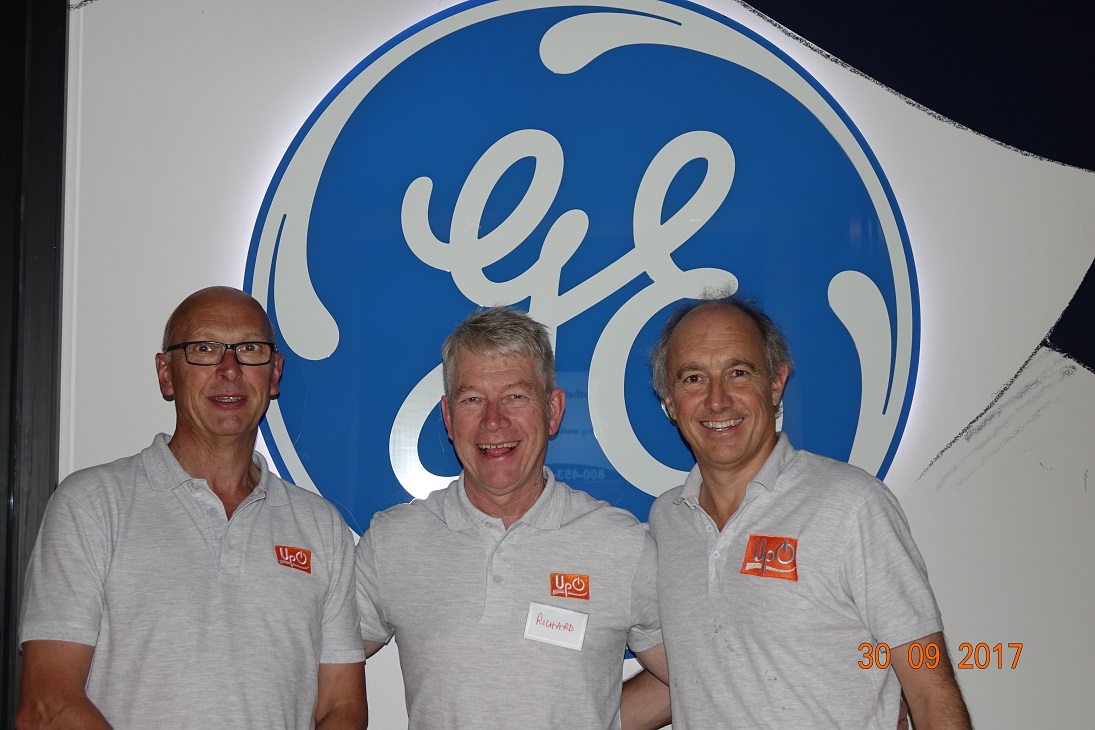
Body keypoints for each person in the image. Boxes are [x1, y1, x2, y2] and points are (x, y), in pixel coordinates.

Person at [16, 286, 367, 730]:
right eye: (203, 349)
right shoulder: (91, 505)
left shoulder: (320, 526)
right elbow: (47, 705)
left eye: (249, 349)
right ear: (166, 374)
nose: (229, 369)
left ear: (274, 372)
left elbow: (342, 708)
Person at [630, 293, 972, 729]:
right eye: (693, 378)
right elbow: (698, 674)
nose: (717, 401)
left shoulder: (852, 505)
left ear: (776, 383)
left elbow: (930, 689)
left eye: (738, 373)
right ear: (669, 401)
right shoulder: (668, 521)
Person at [355, 307, 668, 729]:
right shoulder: (392, 542)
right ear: (448, 417)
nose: (493, 420)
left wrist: (599, 717)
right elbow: (309, 665)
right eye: (472, 399)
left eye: (516, 396)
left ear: (553, 410)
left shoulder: (622, 546)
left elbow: (703, 674)